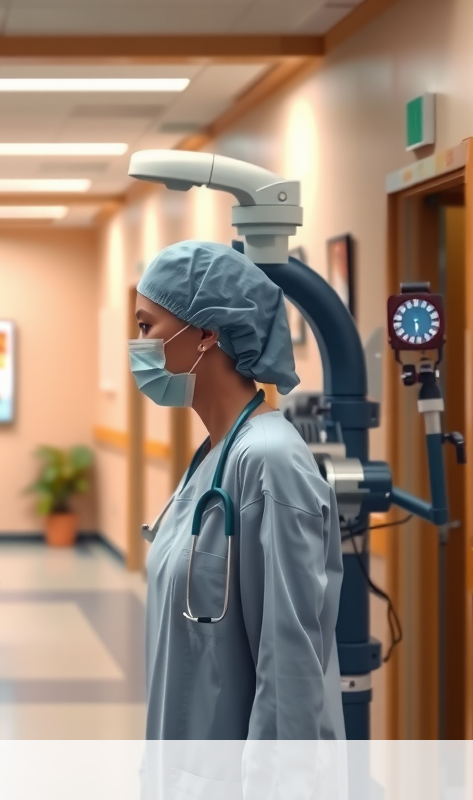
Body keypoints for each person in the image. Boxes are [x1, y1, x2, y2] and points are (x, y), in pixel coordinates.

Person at [133, 241, 345, 740]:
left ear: (207, 333)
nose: (137, 345)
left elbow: (291, 676)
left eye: (146, 326)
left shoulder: (270, 461)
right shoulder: (215, 453)